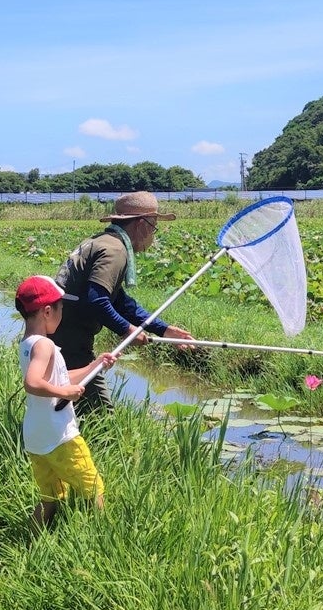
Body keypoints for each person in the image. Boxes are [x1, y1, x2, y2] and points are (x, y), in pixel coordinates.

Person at [52, 190, 196, 413]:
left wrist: (163, 329)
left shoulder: (103, 241)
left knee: (66, 402)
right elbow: (97, 299)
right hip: (69, 336)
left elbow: (118, 301)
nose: (153, 234)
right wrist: (127, 330)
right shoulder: (115, 250)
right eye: (154, 226)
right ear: (142, 224)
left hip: (62, 330)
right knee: (98, 412)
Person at [16, 274, 117, 528]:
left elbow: (59, 377)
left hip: (36, 439)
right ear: (48, 311)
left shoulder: (28, 344)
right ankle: (106, 540)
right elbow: (33, 382)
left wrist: (95, 365)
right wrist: (64, 394)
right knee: (94, 488)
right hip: (60, 436)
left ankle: (30, 540)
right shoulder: (46, 346)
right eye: (62, 308)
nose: (64, 313)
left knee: (50, 498)